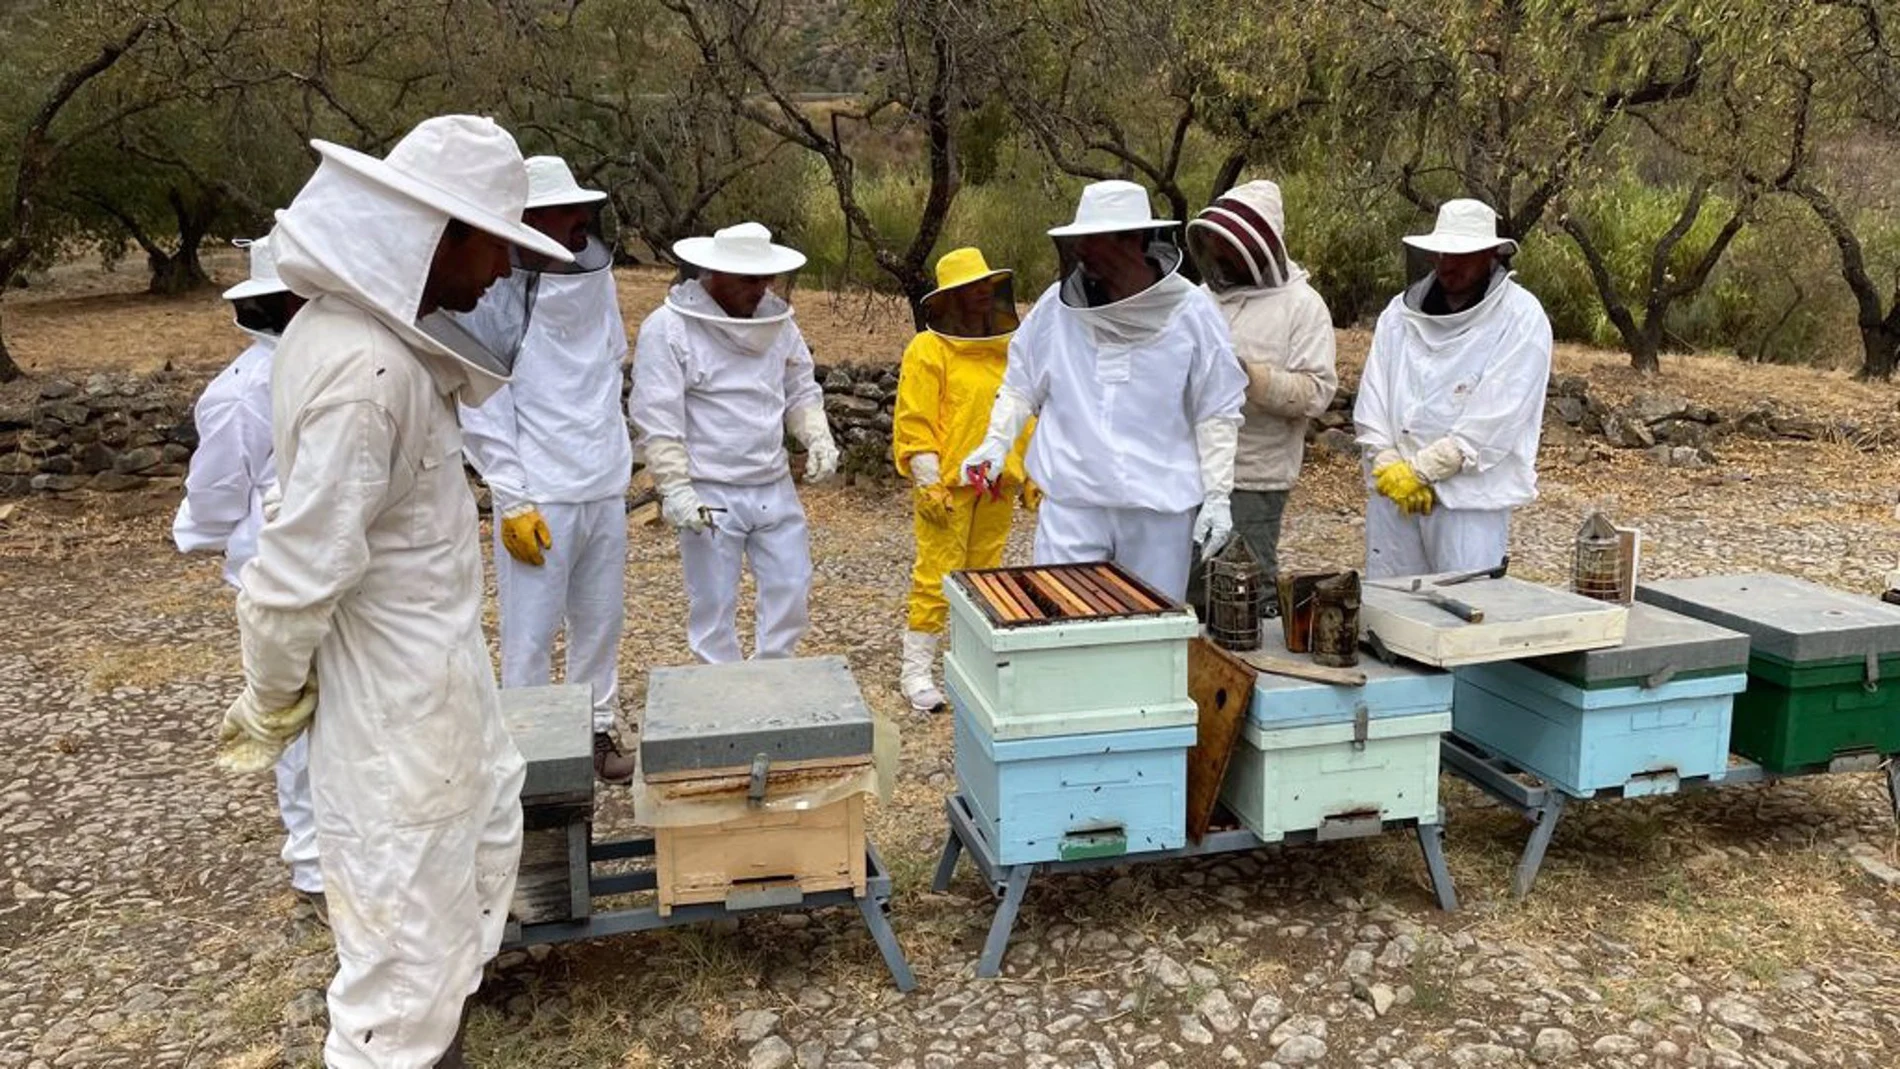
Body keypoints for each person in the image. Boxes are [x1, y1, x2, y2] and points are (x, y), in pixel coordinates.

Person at [217, 115, 576, 1069]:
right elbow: (293, 576)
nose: (503, 271)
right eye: (495, 240)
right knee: (395, 1000)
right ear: (436, 234)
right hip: (395, 741)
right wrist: (267, 701)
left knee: (431, 970)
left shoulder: (372, 348)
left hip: (426, 710)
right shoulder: (365, 372)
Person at [958, 179, 1245, 602]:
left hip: (1158, 512)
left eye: (1094, 241)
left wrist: (1218, 494)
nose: (1083, 252)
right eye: (1080, 242)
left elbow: (1216, 410)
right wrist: (995, 444)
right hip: (1073, 506)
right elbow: (1021, 386)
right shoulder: (1055, 309)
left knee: (1148, 634)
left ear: (1133, 241)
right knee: (1060, 627)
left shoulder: (1194, 314)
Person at [458, 156, 637, 783]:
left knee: (600, 620)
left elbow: (607, 367)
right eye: (565, 218)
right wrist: (512, 497)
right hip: (541, 495)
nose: (578, 231)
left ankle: (595, 730)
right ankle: (528, 751)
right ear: (527, 221)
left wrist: (619, 463)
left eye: (579, 218)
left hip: (602, 484)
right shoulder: (489, 295)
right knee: (530, 635)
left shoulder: (594, 282)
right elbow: (481, 404)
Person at [172, 232, 322, 912]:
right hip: (273, 578)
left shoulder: (323, 368)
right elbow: (213, 499)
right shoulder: (240, 394)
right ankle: (315, 867)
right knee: (290, 715)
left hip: (331, 574)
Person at [628, 222, 840, 663]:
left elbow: (800, 389)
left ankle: (773, 683)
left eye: (766, 278)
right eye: (749, 279)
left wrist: (816, 435)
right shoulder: (668, 329)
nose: (761, 289)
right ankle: (721, 698)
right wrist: (675, 488)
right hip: (711, 490)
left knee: (792, 588)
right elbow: (658, 416)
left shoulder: (779, 324)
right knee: (712, 605)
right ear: (713, 274)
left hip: (773, 482)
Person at [1353, 198, 1553, 579]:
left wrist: (1424, 469)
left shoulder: (1521, 318)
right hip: (1395, 497)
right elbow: (1374, 396)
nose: (1447, 264)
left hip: (1468, 504)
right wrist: (1386, 460)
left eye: (1461, 255)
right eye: (1441, 252)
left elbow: (1496, 418)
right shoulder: (1399, 314)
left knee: (1463, 617)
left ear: (1492, 254)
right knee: (1390, 614)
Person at [891, 247, 1034, 712]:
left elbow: (1022, 416)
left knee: (985, 578)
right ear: (948, 298)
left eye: (984, 287)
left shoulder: (1005, 351)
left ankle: (973, 666)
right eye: (969, 288)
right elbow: (916, 419)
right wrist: (927, 479)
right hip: (948, 487)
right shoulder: (928, 349)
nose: (980, 295)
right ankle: (916, 672)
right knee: (936, 576)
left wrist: (1031, 473)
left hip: (997, 487)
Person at [1183, 179, 1337, 601]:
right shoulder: (1200, 300)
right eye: (1216, 246)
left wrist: (1249, 377)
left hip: (1255, 478)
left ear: (1259, 246)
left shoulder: (1303, 306)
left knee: (1242, 594)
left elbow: (1316, 391)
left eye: (1229, 247)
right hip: (1188, 472)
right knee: (1187, 592)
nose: (1221, 257)